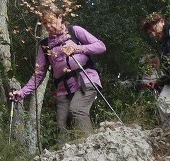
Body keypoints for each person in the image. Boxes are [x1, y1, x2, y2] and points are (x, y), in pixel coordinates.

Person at [9, 10, 106, 146]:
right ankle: (65, 159)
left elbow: (101, 47)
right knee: (62, 128)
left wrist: (77, 48)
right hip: (63, 90)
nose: (48, 26)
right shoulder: (45, 46)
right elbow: (39, 73)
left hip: (86, 80)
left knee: (77, 110)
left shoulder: (74, 31)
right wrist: (23, 92)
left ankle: (91, 147)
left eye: (51, 21)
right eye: (45, 23)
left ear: (60, 17)